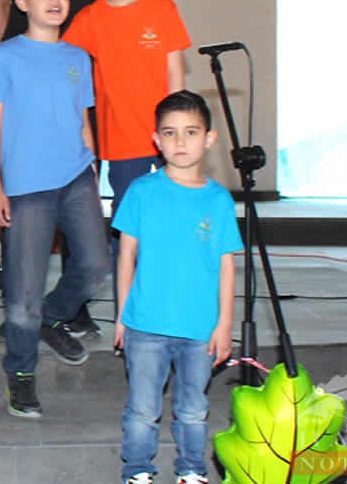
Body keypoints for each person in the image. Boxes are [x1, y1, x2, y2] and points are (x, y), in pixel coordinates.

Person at [0, 0, 120, 341]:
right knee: (33, 192)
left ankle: (68, 304)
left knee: (79, 196)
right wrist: (3, 56)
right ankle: (31, 308)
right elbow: (3, 2)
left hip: (81, 72)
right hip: (26, 71)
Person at [0, 0, 108, 419]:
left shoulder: (77, 57)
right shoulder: (7, 56)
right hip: (26, 187)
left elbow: (83, 120)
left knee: (95, 265)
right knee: (22, 295)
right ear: (22, 2)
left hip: (75, 177)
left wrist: (93, 170)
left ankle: (54, 317)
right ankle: (21, 373)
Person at [114, 90, 239, 484]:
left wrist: (224, 325)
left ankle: (191, 470)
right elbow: (125, 257)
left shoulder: (218, 201)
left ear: (209, 138)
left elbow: (227, 266)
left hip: (199, 329)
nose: (180, 142)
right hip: (146, 324)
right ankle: (138, 471)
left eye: (190, 132)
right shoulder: (141, 191)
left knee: (193, 408)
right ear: (156, 139)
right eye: (169, 133)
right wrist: (121, 317)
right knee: (142, 409)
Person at [64, 0, 190, 299]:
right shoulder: (89, 19)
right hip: (122, 143)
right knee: (130, 230)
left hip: (167, 140)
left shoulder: (162, 8)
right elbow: (64, 68)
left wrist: (180, 132)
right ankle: (128, 314)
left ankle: (170, 304)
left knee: (171, 224)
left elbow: (175, 74)